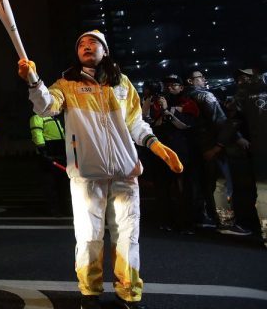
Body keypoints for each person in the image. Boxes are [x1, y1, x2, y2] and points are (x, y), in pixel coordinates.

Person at [18, 30, 183, 309]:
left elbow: (136, 123)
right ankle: (90, 294)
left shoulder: (122, 84)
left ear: (104, 50)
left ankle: (128, 294)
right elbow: (46, 107)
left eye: (93, 42)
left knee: (127, 237)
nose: (86, 46)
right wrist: (34, 81)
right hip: (86, 176)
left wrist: (155, 145)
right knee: (89, 236)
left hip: (125, 172)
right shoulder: (67, 83)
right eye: (81, 43)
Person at [185, 69, 252, 236]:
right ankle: (226, 222)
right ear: (190, 81)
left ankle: (204, 218)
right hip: (212, 146)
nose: (203, 79)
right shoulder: (206, 96)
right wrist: (237, 138)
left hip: (194, 147)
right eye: (199, 77)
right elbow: (220, 120)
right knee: (222, 184)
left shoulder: (185, 96)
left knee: (203, 184)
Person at [147, 75, 199, 234]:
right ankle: (165, 221)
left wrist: (167, 109)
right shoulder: (156, 103)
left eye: (174, 85)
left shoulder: (188, 103)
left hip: (181, 151)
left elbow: (185, 125)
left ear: (182, 87)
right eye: (167, 85)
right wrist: (150, 107)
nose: (170, 88)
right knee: (162, 188)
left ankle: (186, 223)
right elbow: (149, 124)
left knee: (183, 188)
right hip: (162, 152)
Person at [233, 68, 267, 246]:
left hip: (258, 149)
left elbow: (232, 121)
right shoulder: (245, 93)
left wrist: (237, 138)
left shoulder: (243, 94)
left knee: (263, 191)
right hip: (258, 149)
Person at [29, 113, 69, 216]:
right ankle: (54, 209)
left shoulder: (55, 118)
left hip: (59, 154)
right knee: (51, 184)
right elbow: (36, 133)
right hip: (48, 156)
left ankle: (64, 208)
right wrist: (42, 150)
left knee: (62, 184)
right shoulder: (37, 117)